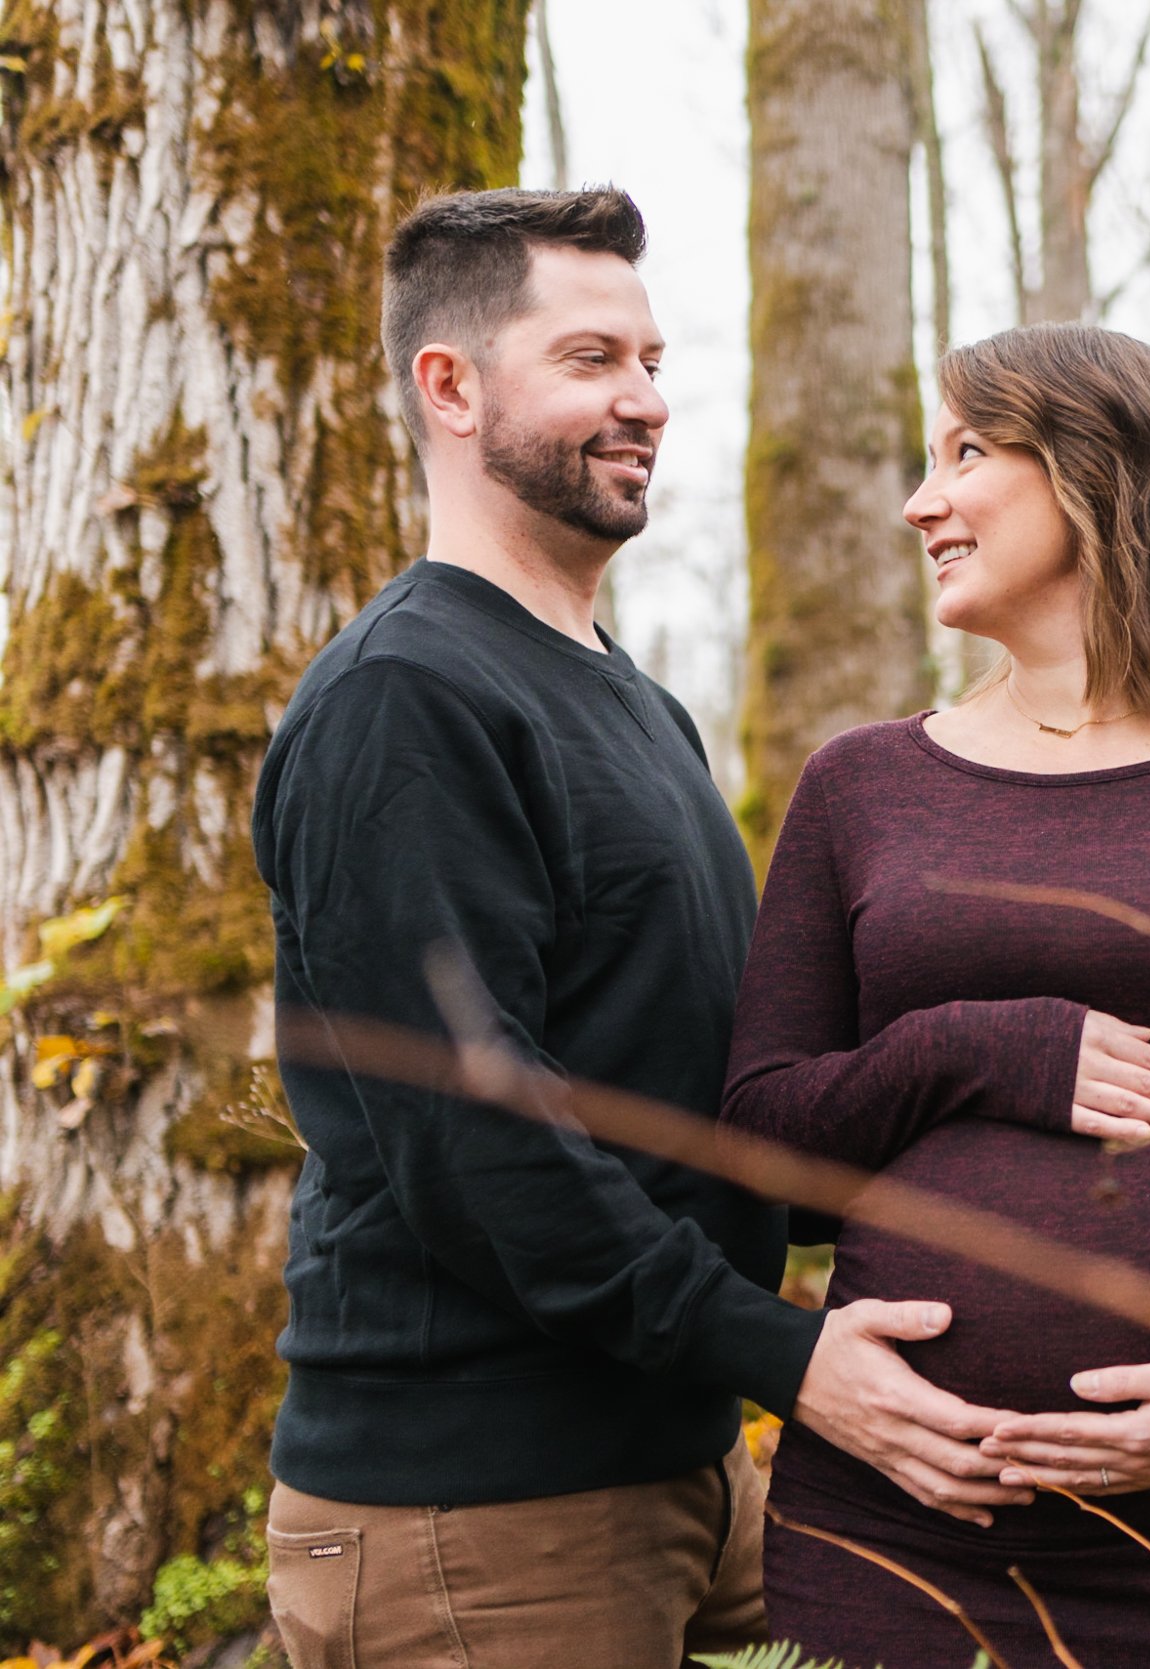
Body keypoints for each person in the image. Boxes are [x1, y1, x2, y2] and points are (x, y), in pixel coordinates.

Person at [722, 322, 1150, 1665]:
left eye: (969, 453)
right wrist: (986, 1047)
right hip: (896, 1530)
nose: (920, 501)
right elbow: (767, 1151)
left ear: (1099, 473)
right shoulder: (861, 786)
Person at [251, 187, 860, 1669]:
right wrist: (797, 1358)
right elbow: (485, 1144)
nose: (645, 400)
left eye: (653, 361)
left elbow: (679, 1088)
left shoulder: (629, 694)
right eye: (592, 358)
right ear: (449, 387)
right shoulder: (409, 699)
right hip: (483, 1509)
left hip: (669, 1460)